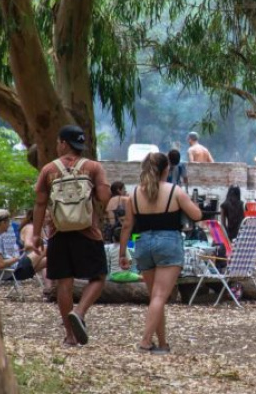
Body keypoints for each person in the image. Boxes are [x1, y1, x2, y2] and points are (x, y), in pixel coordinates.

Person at [32, 125, 111, 347]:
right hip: (88, 231)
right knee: (99, 276)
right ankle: (80, 311)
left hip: (58, 232)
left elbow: (39, 204)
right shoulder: (93, 167)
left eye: (58, 142)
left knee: (64, 282)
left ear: (64, 143)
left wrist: (36, 235)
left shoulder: (48, 170)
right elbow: (104, 196)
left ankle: (69, 336)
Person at [119, 152, 202, 354]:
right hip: (168, 242)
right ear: (167, 169)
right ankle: (145, 341)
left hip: (143, 243)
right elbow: (197, 215)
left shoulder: (134, 194)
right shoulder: (175, 191)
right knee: (159, 297)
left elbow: (127, 225)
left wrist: (122, 253)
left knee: (156, 297)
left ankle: (162, 343)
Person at [0, 209, 47, 282]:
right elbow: (0, 264)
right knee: (46, 248)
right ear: (2, 223)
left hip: (11, 271)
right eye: (8, 222)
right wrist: (16, 259)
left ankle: (52, 286)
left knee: (50, 260)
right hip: (13, 272)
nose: (9, 225)